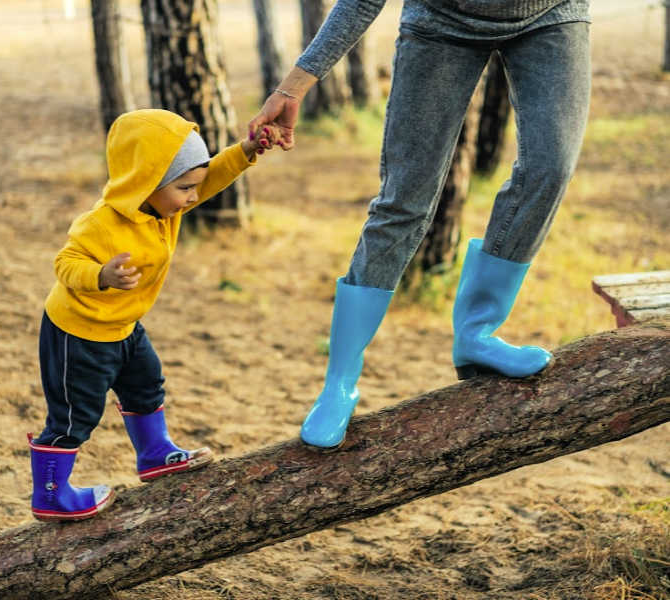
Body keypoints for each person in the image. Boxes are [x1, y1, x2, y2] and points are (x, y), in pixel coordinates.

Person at [249, 0, 591, 449]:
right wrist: (294, 87)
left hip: (552, 13)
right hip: (441, 21)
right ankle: (340, 384)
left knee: (550, 169)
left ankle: (477, 333)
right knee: (404, 202)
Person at [29, 108, 279, 521]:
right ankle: (51, 493)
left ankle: (155, 453)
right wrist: (100, 275)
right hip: (80, 333)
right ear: (147, 182)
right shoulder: (101, 223)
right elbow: (64, 262)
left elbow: (210, 177)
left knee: (146, 383)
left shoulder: (167, 205)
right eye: (184, 188)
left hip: (125, 326)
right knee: (75, 415)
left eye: (193, 187)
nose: (193, 197)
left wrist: (247, 150)